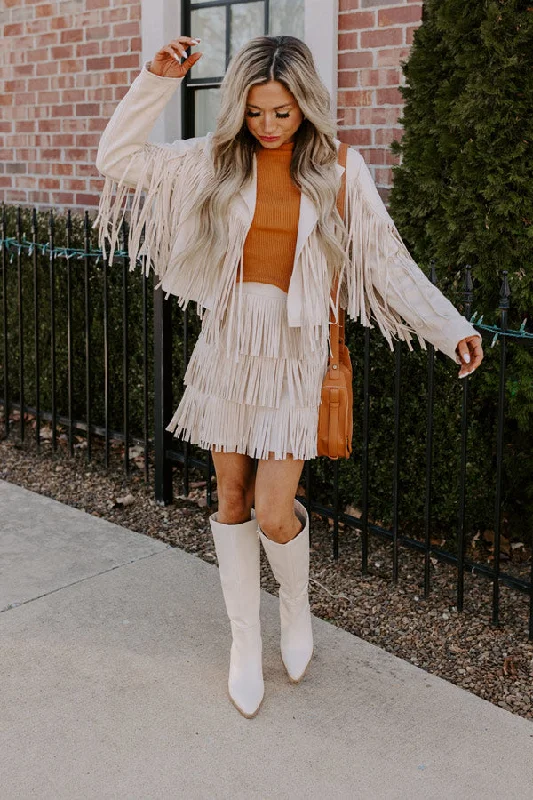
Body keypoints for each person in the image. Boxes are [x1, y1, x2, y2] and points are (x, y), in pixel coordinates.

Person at [94, 34, 484, 719]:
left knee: (276, 510)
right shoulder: (211, 162)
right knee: (230, 497)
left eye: (282, 112)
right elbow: (117, 160)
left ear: (305, 105)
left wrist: (448, 326)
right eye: (255, 113)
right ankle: (245, 644)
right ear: (237, 111)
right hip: (228, 348)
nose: (269, 127)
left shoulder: (338, 169)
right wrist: (153, 83)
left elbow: (386, 261)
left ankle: (296, 610)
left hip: (297, 354)